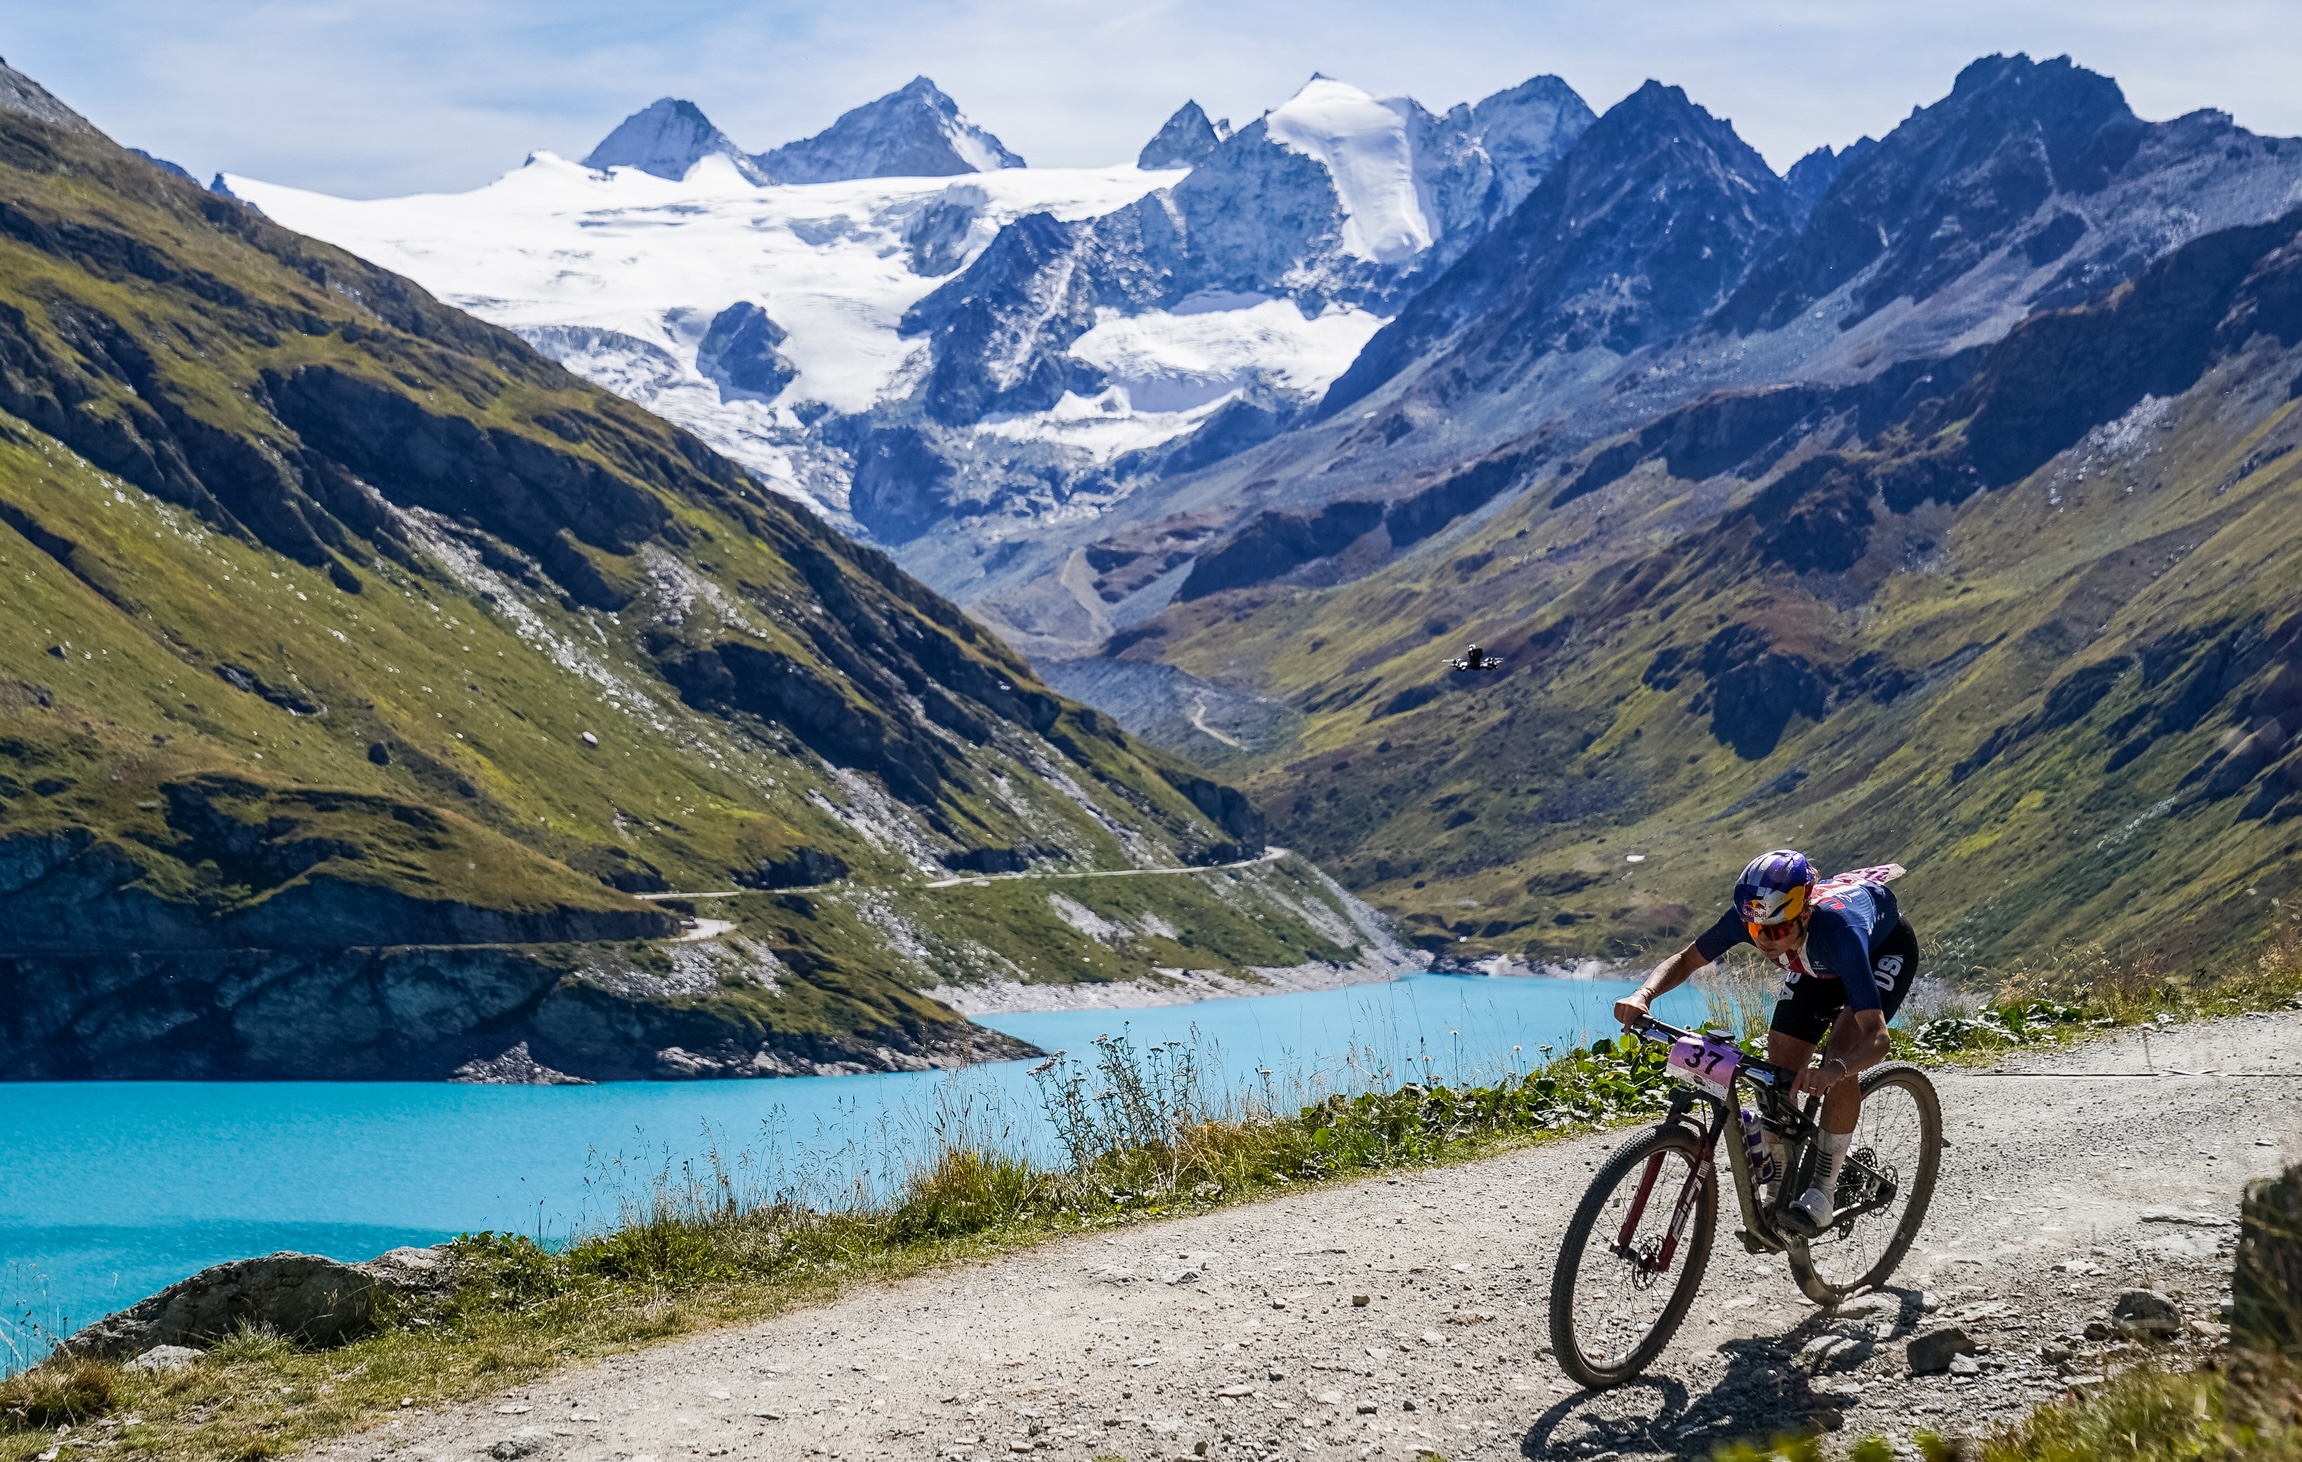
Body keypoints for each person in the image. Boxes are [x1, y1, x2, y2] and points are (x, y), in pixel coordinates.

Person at [1612, 850, 1916, 1236]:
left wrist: (1833, 1072)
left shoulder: (1840, 932)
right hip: (1814, 962)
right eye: (1755, 932)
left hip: (1876, 954)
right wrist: (1643, 994)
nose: (1763, 941)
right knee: (1780, 1060)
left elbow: (1877, 1038)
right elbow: (1687, 960)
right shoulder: (1757, 917)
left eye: (1773, 931)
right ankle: (1780, 1182)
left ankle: (1822, 1190)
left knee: (1841, 1056)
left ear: (1804, 914)